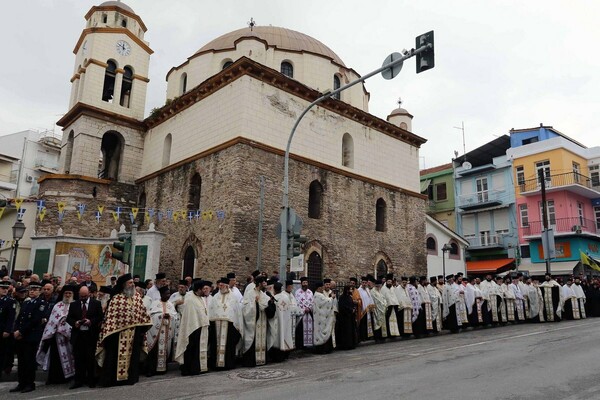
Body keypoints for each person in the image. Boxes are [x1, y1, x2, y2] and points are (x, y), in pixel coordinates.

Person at [95, 273, 152, 387]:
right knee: (114, 357)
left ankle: (131, 378)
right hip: (117, 335)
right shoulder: (116, 299)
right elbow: (111, 318)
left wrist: (141, 328)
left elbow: (143, 315)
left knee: (133, 357)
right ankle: (114, 380)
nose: (132, 285)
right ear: (124, 285)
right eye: (130, 283)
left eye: (133, 283)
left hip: (134, 334)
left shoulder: (137, 298)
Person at [10, 282, 47, 393]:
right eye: (31, 289)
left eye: (35, 290)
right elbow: (19, 318)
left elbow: (35, 321)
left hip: (31, 336)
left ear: (39, 291)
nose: (32, 291)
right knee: (21, 361)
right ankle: (21, 383)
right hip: (21, 336)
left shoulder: (41, 304)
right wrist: (16, 330)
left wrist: (21, 332)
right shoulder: (26, 303)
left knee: (29, 361)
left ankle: (30, 383)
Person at [36, 284, 77, 384]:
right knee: (55, 359)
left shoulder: (75, 305)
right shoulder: (57, 305)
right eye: (66, 293)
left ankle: (68, 377)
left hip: (69, 338)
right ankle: (53, 378)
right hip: (56, 338)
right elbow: (52, 320)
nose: (67, 295)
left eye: (69, 293)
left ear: (73, 294)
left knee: (71, 357)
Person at [67, 285, 103, 389]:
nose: (83, 298)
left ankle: (91, 380)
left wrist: (90, 321)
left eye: (85, 296)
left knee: (90, 359)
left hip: (90, 335)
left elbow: (100, 316)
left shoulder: (96, 303)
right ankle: (78, 380)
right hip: (78, 335)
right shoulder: (74, 304)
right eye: (81, 296)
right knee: (78, 359)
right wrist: (75, 323)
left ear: (89, 294)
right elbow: (69, 318)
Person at [175, 280, 211, 375]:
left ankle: (196, 368)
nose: (205, 291)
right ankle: (188, 369)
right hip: (192, 329)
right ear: (199, 290)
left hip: (199, 328)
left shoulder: (200, 298)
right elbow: (191, 316)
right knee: (190, 350)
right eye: (203, 289)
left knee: (196, 350)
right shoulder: (190, 299)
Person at [208, 278, 242, 370]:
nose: (220, 287)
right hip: (217, 325)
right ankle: (216, 364)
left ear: (227, 286)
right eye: (220, 285)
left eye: (222, 285)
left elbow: (236, 311)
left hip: (229, 326)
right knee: (216, 345)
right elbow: (211, 309)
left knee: (229, 345)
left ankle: (228, 364)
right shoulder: (215, 296)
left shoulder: (233, 297)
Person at [241, 276, 275, 366]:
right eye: (264, 283)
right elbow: (245, 308)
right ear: (259, 283)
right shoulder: (250, 293)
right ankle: (252, 361)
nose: (265, 285)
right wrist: (255, 303)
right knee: (253, 340)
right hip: (254, 322)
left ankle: (262, 359)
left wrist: (270, 303)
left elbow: (266, 305)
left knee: (263, 339)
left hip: (263, 321)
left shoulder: (263, 294)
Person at [146, 286, 178, 376]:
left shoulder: (170, 305)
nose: (168, 295)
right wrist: (161, 316)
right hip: (156, 333)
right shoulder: (155, 303)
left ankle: (162, 369)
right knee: (154, 351)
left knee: (164, 350)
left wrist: (170, 317)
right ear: (161, 294)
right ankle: (151, 369)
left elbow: (175, 316)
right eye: (166, 294)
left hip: (166, 331)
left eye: (169, 294)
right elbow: (151, 315)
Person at [268, 281, 299, 362]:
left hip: (277, 322)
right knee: (285, 336)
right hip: (286, 321)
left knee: (278, 337)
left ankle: (277, 357)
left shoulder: (275, 298)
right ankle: (285, 355)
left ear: (274, 290)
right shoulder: (285, 297)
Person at [312, 281, 336, 354]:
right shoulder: (319, 295)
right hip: (321, 319)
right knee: (321, 333)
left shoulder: (315, 295)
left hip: (318, 318)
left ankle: (320, 349)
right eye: (322, 287)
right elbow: (327, 303)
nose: (323, 289)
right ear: (319, 288)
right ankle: (323, 349)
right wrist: (332, 297)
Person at [0, 281, 16, 380]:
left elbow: (11, 317)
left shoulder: (10, 301)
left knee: (1, 352)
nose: (5, 290)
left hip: (2, 330)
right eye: (2, 288)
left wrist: (7, 330)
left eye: (6, 288)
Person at [336, 285, 358, 350]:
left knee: (350, 331)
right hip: (345, 318)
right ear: (347, 290)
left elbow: (351, 304)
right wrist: (351, 310)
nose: (351, 291)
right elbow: (342, 307)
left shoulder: (349, 297)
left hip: (350, 317)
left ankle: (351, 344)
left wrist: (354, 308)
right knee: (346, 332)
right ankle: (345, 345)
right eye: (350, 289)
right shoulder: (342, 297)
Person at [294, 276, 314, 349]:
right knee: (300, 330)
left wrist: (309, 308)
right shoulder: (297, 292)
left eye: (306, 282)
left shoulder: (310, 292)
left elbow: (312, 302)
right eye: (304, 283)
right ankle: (300, 345)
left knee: (309, 328)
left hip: (309, 314)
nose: (305, 284)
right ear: (301, 284)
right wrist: (303, 310)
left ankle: (308, 345)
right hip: (301, 315)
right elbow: (296, 303)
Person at [369, 277, 388, 343]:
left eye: (380, 286)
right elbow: (377, 301)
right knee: (377, 324)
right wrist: (383, 305)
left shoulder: (380, 291)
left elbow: (383, 299)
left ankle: (382, 337)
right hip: (377, 310)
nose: (379, 287)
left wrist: (385, 304)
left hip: (382, 310)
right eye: (378, 286)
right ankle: (377, 338)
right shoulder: (372, 292)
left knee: (382, 324)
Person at [357, 276, 375, 341]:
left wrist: (371, 307)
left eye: (365, 283)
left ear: (367, 283)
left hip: (369, 310)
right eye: (363, 282)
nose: (364, 284)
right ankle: (363, 337)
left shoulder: (367, 290)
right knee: (363, 324)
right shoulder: (358, 291)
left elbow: (370, 298)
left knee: (369, 323)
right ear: (361, 283)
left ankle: (369, 336)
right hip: (363, 311)